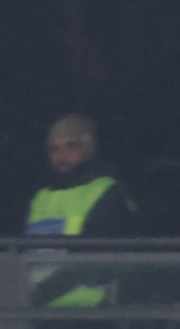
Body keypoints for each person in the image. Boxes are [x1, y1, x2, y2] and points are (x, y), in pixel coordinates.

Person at [24, 113, 138, 309]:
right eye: (54, 149)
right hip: (40, 315)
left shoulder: (107, 192)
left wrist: (40, 294)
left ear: (91, 146)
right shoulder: (41, 198)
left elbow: (98, 259)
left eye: (72, 146)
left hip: (92, 314)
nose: (61, 156)